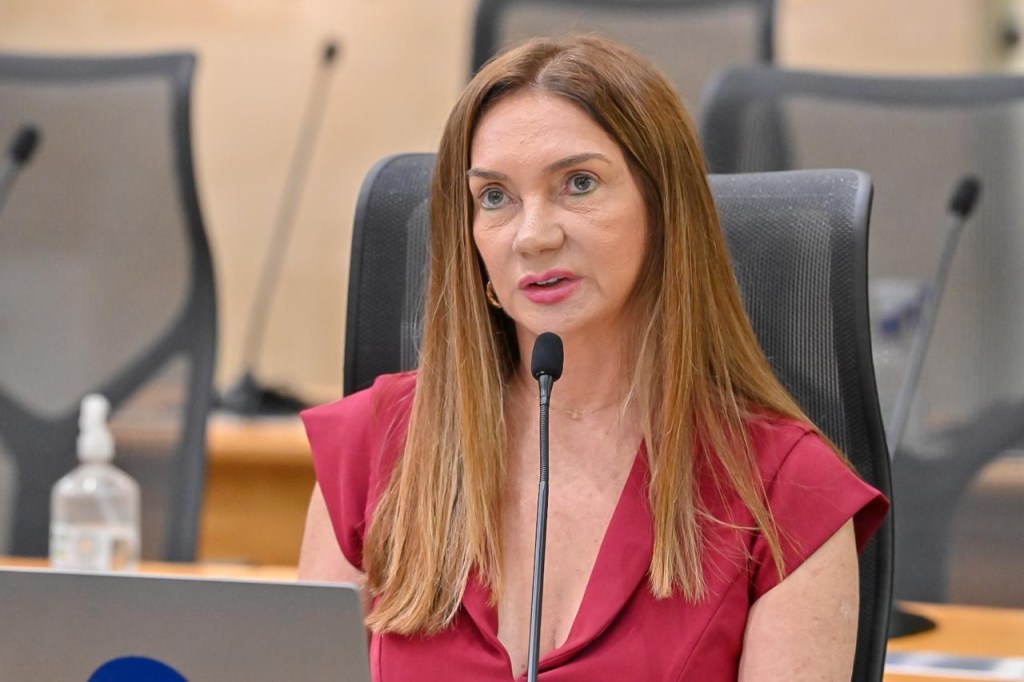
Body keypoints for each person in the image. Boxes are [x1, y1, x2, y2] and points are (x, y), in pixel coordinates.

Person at [299, 35, 888, 680]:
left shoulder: (787, 491)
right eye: (494, 196)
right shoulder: (373, 446)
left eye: (578, 184)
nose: (533, 236)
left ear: (664, 209)